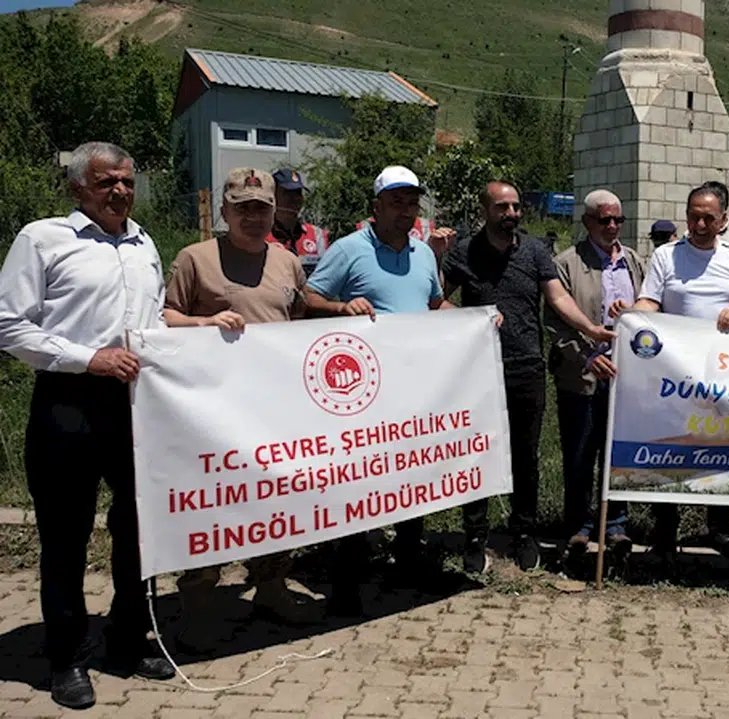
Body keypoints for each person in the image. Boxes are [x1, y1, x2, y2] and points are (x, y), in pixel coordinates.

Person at [0, 142, 175, 709]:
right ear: (79, 187)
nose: (120, 192)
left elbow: (157, 318)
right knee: (66, 538)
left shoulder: (144, 242)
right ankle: (67, 660)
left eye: (126, 182)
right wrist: (87, 357)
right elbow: (7, 325)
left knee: (138, 531)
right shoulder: (43, 238)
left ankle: (127, 639)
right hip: (68, 405)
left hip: (136, 408)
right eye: (107, 183)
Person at [164, 168, 320, 650]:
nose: (253, 216)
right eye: (243, 207)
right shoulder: (195, 259)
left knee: (275, 502)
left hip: (271, 410)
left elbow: (294, 322)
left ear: (276, 212)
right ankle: (197, 600)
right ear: (225, 212)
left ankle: (270, 587)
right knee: (212, 505)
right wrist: (203, 322)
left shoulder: (288, 262)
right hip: (211, 410)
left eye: (262, 208)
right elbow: (164, 316)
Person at [304, 165, 457, 616]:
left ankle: (407, 562)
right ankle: (346, 581)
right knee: (359, 481)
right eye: (396, 202)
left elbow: (433, 304)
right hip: (362, 394)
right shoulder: (349, 250)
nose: (405, 211)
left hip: (414, 389)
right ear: (376, 207)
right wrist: (340, 306)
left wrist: (473, 319)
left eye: (411, 203)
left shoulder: (424, 255)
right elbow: (307, 298)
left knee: (412, 475)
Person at [442, 181, 614, 574]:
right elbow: (437, 297)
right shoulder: (464, 252)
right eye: (503, 207)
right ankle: (475, 536)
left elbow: (557, 298)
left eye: (517, 207)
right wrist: (467, 317)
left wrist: (590, 328)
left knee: (526, 456)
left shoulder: (535, 250)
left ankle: (524, 534)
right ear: (485, 210)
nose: (512, 214)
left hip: (527, 366)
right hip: (478, 369)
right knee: (479, 452)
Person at [625, 183, 729, 559]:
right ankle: (666, 530)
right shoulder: (666, 256)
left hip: (723, 370)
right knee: (672, 447)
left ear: (723, 220)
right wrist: (633, 315)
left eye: (708, 217)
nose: (699, 223)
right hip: (674, 373)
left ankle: (719, 527)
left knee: (723, 445)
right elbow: (650, 300)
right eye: (693, 216)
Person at [548, 189, 644, 560]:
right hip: (583, 377)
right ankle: (578, 526)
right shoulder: (566, 264)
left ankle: (616, 525)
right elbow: (556, 326)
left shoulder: (635, 262)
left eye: (617, 219)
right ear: (587, 222)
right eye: (603, 219)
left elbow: (650, 314)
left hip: (626, 379)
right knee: (580, 454)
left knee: (617, 455)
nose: (612, 226)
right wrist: (587, 359)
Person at [267, 167, 329, 277]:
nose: (294, 199)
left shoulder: (317, 235)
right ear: (273, 196)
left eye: (297, 193)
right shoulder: (261, 236)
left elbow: (326, 276)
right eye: (288, 194)